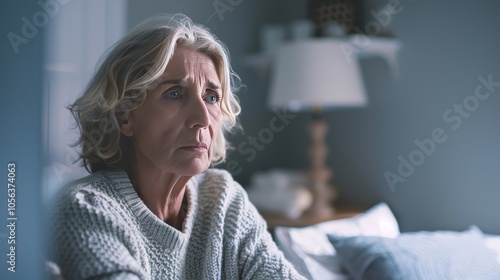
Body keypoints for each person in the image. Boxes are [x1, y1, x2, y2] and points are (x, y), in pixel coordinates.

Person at [49, 13, 305, 280]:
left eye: (211, 97)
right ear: (124, 115)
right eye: (174, 94)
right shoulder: (86, 208)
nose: (202, 119)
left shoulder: (223, 200)